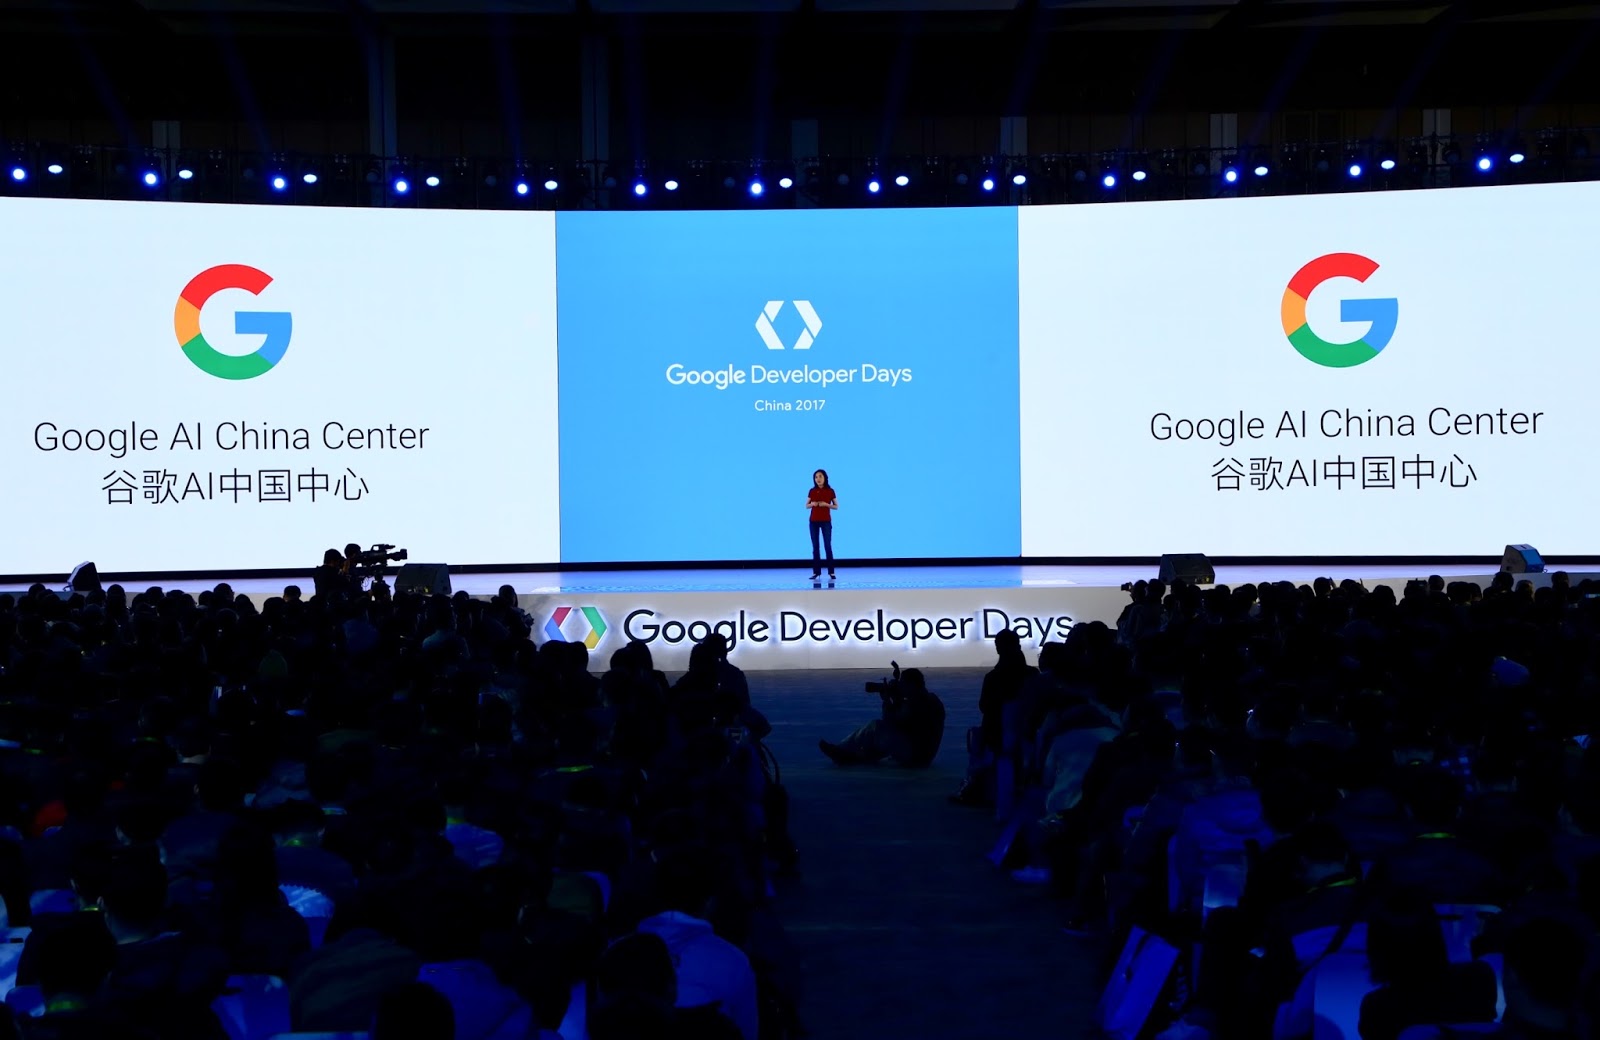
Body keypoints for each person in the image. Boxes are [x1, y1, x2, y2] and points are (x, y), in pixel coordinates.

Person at [819, 667, 945, 768]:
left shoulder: (917, 702)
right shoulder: (930, 699)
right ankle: (858, 757)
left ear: (911, 685)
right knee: (880, 737)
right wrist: (897, 700)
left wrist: (887, 701)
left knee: (876, 727)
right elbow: (908, 725)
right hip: (923, 755)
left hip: (915, 756)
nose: (900, 687)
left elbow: (891, 722)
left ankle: (841, 750)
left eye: (903, 684)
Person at [805, 468, 837, 580]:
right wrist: (813, 504)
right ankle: (816, 572)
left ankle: (831, 572)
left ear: (825, 478)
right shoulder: (812, 491)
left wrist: (826, 505)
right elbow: (806, 505)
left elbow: (836, 506)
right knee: (815, 547)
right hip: (813, 521)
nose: (818, 479)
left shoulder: (830, 491)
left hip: (826, 521)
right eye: (816, 477)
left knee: (827, 546)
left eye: (820, 476)